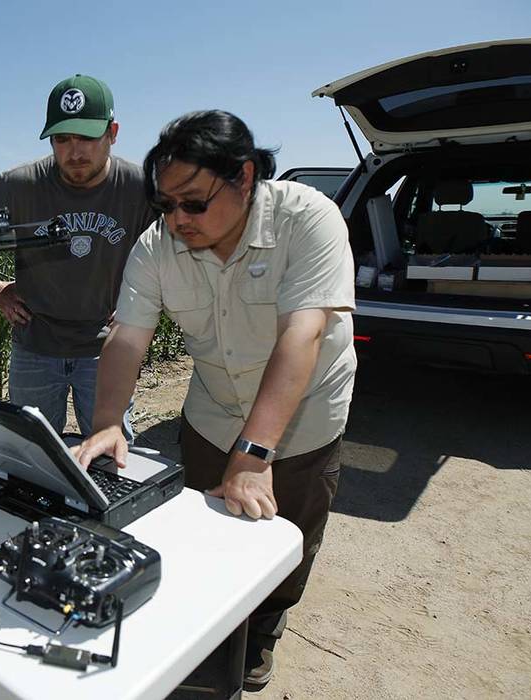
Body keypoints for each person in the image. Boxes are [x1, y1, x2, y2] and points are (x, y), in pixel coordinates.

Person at [74, 110, 357, 690]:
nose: (177, 220)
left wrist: (254, 457)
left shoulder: (307, 219)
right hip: (212, 411)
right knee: (206, 532)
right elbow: (127, 336)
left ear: (245, 177)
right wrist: (106, 422)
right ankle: (216, 632)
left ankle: (266, 629)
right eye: (165, 206)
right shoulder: (158, 246)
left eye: (194, 203)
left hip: (301, 414)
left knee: (287, 536)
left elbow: (301, 334)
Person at [0, 74, 155, 438]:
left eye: (87, 138)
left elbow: (177, 246)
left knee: (112, 458)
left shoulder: (139, 188)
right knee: (30, 453)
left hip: (107, 350)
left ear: (113, 132)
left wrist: (144, 301)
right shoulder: (22, 185)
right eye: (62, 139)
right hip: (36, 347)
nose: (75, 153)